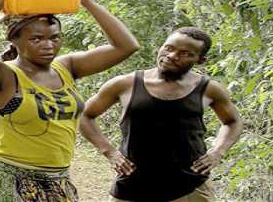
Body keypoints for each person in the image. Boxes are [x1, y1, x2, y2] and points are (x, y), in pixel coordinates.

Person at [0, 0, 140, 201]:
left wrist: (87, 1)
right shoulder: (4, 77)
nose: (48, 46)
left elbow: (126, 46)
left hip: (58, 178)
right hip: (7, 177)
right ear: (14, 40)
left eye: (54, 38)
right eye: (36, 39)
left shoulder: (66, 67)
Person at [79, 27, 244, 202]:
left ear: (200, 60)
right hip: (132, 183)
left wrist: (218, 152)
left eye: (185, 53)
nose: (172, 56)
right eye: (169, 48)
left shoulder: (209, 89)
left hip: (190, 185)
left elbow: (233, 121)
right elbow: (85, 115)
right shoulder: (125, 84)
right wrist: (110, 152)